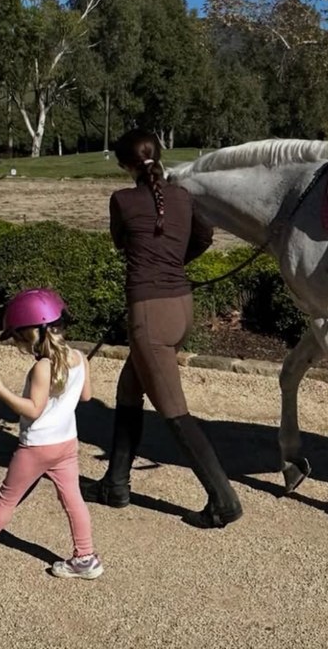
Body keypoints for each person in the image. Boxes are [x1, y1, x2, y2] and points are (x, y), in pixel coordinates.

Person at [81, 129, 243, 529]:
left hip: (149, 314)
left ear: (124, 165)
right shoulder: (184, 197)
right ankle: (115, 484)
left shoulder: (122, 200)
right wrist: (173, 261)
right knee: (128, 390)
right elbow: (204, 236)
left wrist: (156, 264)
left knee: (174, 412)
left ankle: (223, 500)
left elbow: (122, 243)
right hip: (181, 307)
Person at [0, 289, 102, 579]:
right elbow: (87, 396)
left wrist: (1, 391)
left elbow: (33, 410)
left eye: (17, 338)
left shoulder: (42, 367)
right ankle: (85, 557)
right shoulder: (80, 357)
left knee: (5, 500)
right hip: (66, 443)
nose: (17, 344)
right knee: (73, 499)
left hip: (37, 447)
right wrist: (68, 390)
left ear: (31, 335)